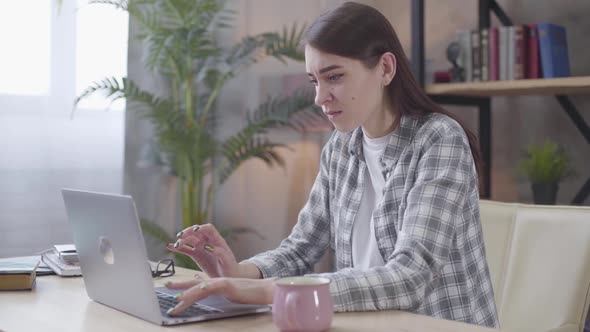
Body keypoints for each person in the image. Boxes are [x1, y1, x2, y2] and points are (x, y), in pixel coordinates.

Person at [165, 2, 499, 328]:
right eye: (314, 81)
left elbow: (410, 277)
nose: (319, 97)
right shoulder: (340, 146)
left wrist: (264, 291)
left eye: (334, 77)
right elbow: (300, 250)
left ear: (385, 69)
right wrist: (240, 274)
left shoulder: (439, 139)